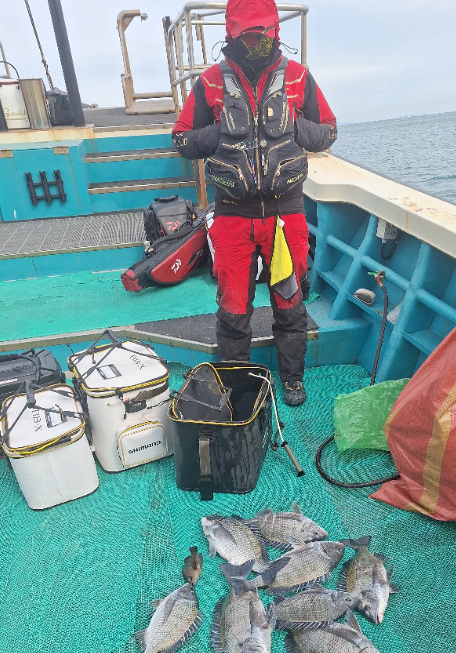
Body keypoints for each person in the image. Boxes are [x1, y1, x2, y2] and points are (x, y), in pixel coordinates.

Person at [172, 0, 337, 406]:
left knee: (290, 301)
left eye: (261, 33)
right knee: (232, 311)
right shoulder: (210, 81)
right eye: (247, 34)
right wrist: (217, 133)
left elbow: (329, 131)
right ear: (231, 33)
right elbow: (182, 139)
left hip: (286, 214)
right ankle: (238, 388)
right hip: (232, 217)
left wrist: (293, 126)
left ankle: (292, 381)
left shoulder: (299, 77)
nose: (254, 40)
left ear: (274, 31)